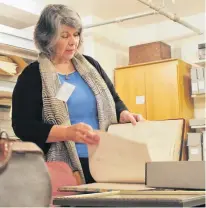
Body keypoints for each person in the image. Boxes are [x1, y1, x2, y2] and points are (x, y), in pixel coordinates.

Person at [12, 4, 144, 184]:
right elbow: (23, 126)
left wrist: (123, 113)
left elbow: (114, 99)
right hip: (64, 168)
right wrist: (66, 132)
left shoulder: (91, 66)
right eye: (64, 35)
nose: (73, 41)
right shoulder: (33, 75)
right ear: (48, 38)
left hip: (107, 160)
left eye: (76, 34)